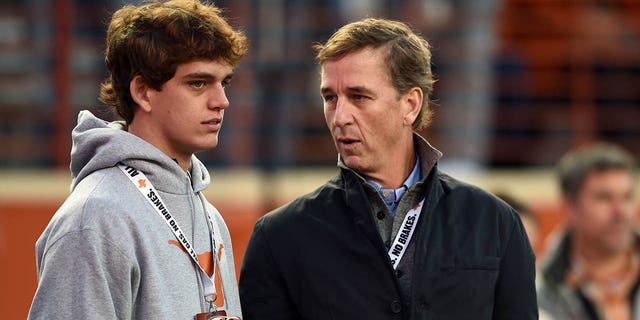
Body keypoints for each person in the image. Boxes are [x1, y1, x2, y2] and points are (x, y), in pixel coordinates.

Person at [239, 17, 537, 319]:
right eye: (330, 97)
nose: (339, 117)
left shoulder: (497, 224)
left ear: (410, 104)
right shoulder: (279, 237)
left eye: (359, 96)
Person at [28, 0, 248, 319]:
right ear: (143, 92)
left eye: (223, 82)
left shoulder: (210, 216)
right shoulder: (94, 218)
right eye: (198, 83)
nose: (221, 101)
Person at [538, 143, 639, 320]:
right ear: (570, 207)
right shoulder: (539, 290)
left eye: (627, 197)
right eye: (604, 198)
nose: (621, 212)